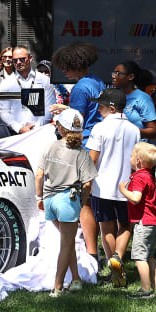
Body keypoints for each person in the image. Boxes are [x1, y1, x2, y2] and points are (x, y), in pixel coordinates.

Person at [50, 41, 104, 263]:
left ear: (76, 64)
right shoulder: (97, 81)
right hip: (100, 142)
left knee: (83, 201)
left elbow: (76, 122)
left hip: (87, 144)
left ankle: (92, 253)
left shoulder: (81, 87)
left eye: (66, 66)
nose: (63, 70)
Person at [36, 108, 97, 297]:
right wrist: (83, 200)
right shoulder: (81, 153)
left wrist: (39, 197)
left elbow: (39, 175)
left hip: (49, 199)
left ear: (60, 128)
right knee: (66, 243)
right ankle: (58, 287)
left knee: (68, 241)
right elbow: (87, 183)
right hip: (68, 200)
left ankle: (76, 278)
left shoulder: (50, 146)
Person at [87, 88, 140, 288]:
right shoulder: (134, 129)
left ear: (111, 108)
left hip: (103, 186)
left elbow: (92, 158)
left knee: (105, 227)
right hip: (127, 186)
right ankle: (117, 259)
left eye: (100, 105)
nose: (98, 108)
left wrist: (85, 181)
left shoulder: (99, 128)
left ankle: (115, 267)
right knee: (125, 226)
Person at [118, 142, 156, 299]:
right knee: (149, 256)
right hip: (151, 221)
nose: (129, 158)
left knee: (139, 256)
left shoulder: (139, 177)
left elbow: (136, 198)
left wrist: (123, 190)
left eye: (131, 156)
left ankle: (145, 289)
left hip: (143, 222)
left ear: (137, 161)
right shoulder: (148, 175)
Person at [0, 45, 56, 132]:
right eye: (15, 60)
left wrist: (36, 128)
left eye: (22, 59)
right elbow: (3, 110)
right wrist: (19, 128)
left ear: (30, 58)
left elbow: (49, 107)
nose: (18, 62)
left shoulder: (45, 80)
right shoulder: (6, 83)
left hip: (40, 131)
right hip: (15, 134)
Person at [111, 61, 156, 141]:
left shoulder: (142, 98)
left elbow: (153, 131)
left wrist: (131, 131)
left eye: (118, 73)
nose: (114, 76)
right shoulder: (113, 95)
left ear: (131, 77)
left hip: (136, 150)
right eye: (114, 73)